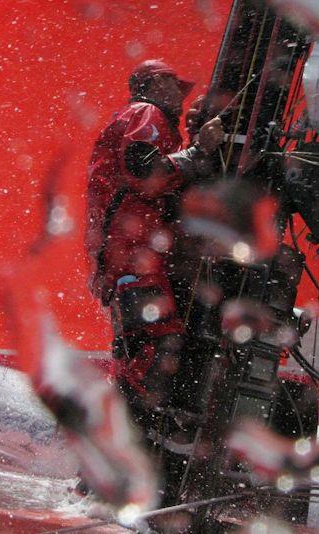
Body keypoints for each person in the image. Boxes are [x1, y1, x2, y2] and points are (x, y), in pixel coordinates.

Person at [86, 59, 223, 428]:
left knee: (145, 345)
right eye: (175, 87)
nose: (180, 97)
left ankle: (130, 440)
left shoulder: (139, 119)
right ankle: (137, 437)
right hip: (129, 252)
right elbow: (146, 174)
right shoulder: (145, 113)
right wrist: (200, 151)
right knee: (153, 344)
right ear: (155, 83)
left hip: (127, 253)